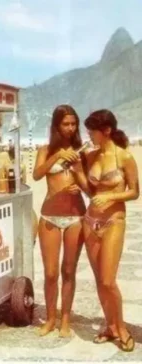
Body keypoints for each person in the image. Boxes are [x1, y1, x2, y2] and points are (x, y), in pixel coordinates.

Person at [77, 109, 137, 352]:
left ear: (107, 131)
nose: (89, 134)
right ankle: (110, 326)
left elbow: (134, 191)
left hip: (114, 221)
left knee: (108, 280)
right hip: (90, 220)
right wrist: (76, 167)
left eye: (92, 130)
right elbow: (89, 188)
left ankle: (121, 328)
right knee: (99, 282)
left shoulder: (124, 158)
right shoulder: (91, 156)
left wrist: (112, 197)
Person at [31, 105, 86, 337]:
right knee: (51, 272)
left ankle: (65, 320)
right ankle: (51, 318)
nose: (71, 128)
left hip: (75, 215)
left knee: (69, 271)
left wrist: (79, 183)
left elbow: (90, 186)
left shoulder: (82, 151)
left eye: (74, 123)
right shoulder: (45, 150)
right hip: (50, 215)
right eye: (66, 124)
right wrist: (57, 155)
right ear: (56, 125)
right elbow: (36, 174)